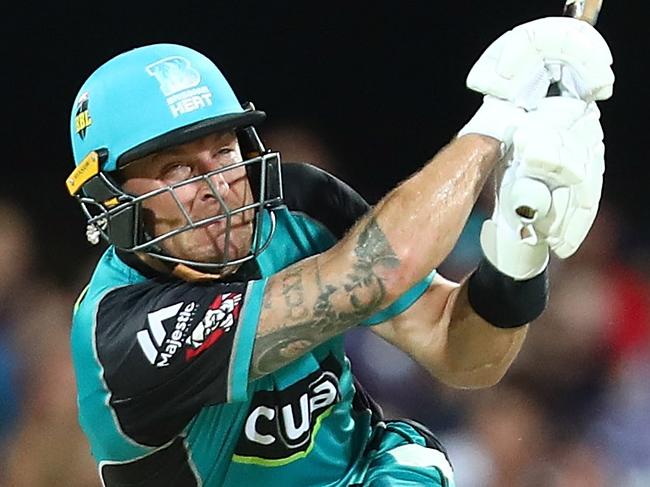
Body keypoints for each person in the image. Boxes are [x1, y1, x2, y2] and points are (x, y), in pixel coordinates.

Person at [66, 17, 613, 487]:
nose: (220, 184)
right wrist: (497, 123)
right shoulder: (120, 333)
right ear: (110, 200)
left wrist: (518, 256)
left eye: (225, 151)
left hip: (372, 472)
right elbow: (374, 272)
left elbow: (461, 354)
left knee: (412, 461)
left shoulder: (297, 207)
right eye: (178, 169)